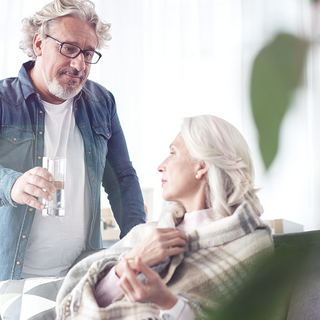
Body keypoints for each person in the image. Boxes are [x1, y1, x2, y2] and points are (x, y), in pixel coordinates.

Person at [55, 115, 274, 320]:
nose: (161, 166)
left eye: (172, 152)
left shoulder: (250, 245)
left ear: (201, 166)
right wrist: (127, 266)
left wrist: (166, 301)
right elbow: (73, 313)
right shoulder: (145, 235)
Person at [0, 0, 146, 281]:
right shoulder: (5, 101)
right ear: (39, 44)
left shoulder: (101, 102)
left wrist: (137, 241)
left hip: (80, 274)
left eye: (88, 53)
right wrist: (12, 184)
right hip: (10, 276)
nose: (79, 63)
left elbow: (122, 179)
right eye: (69, 49)